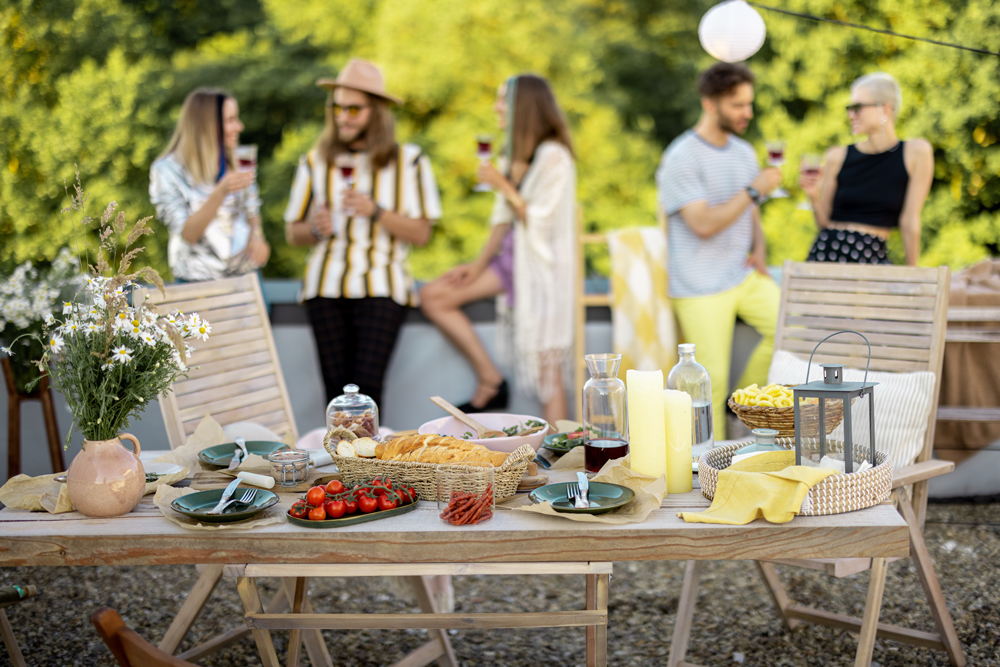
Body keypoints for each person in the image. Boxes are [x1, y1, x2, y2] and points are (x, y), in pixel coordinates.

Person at [284, 59, 441, 409]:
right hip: (325, 286)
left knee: (367, 391)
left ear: (377, 111)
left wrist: (376, 212)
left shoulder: (410, 162)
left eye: (353, 108)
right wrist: (314, 229)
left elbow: (421, 233)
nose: (343, 116)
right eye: (337, 107)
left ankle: (368, 464)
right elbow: (293, 233)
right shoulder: (313, 162)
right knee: (336, 396)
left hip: (382, 284)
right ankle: (344, 464)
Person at [420, 75, 576, 425]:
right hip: (510, 262)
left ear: (524, 106)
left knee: (547, 368)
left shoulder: (555, 156)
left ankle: (560, 455)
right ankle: (490, 378)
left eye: (504, 100)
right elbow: (503, 218)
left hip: (541, 268)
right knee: (435, 295)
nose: (497, 107)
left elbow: (541, 218)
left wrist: (502, 183)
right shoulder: (516, 154)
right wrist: (477, 265)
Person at [655, 62, 782, 439]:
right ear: (710, 104)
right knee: (708, 386)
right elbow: (703, 223)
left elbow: (751, 211)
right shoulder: (681, 157)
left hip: (742, 274)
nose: (749, 113)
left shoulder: (743, 152)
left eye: (749, 103)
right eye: (738, 105)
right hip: (699, 284)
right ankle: (711, 475)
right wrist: (756, 190)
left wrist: (759, 249)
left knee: (792, 331)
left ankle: (741, 407)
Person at [801, 72, 933, 266]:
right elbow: (824, 224)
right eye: (849, 108)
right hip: (826, 253)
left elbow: (910, 221)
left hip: (871, 256)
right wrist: (813, 195)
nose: (850, 114)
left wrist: (912, 274)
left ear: (885, 109)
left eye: (857, 108)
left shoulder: (916, 152)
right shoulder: (836, 156)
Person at [150, 88, 270, 281]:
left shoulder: (239, 161)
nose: (239, 126)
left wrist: (257, 236)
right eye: (230, 120)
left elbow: (252, 212)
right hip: (197, 285)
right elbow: (188, 234)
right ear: (206, 125)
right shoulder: (166, 170)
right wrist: (221, 191)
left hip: (246, 278)